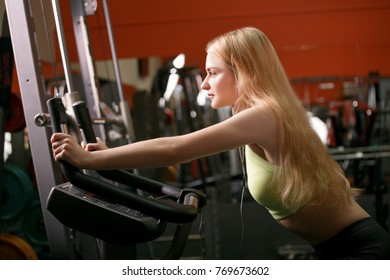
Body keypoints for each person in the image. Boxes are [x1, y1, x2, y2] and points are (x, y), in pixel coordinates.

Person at [51, 26, 390, 260]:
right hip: (337, 249)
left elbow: (176, 148)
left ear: (243, 71)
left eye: (213, 73)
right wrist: (110, 155)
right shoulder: (260, 115)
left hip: (360, 250)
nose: (204, 84)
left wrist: (89, 161)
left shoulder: (263, 116)